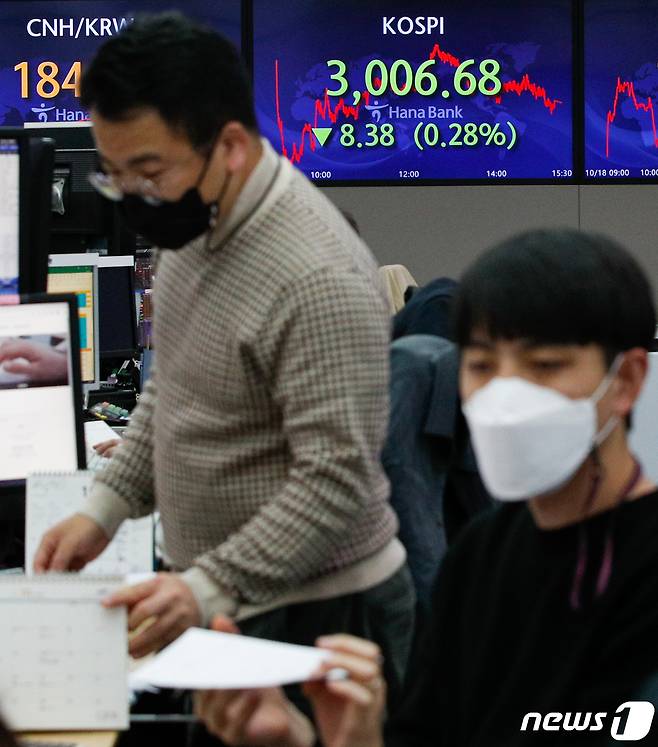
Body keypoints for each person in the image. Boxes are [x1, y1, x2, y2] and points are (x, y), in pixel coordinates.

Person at [33, 9, 414, 716]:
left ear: (231, 145)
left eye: (148, 172)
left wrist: (204, 587)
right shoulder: (193, 222)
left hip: (318, 615)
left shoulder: (315, 275)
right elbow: (174, 389)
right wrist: (103, 509)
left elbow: (334, 480)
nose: (133, 197)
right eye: (115, 174)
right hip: (220, 596)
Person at [196, 229, 658, 746]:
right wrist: (310, 737)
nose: (505, 392)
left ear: (626, 380)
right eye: (481, 366)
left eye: (544, 366)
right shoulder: (481, 555)